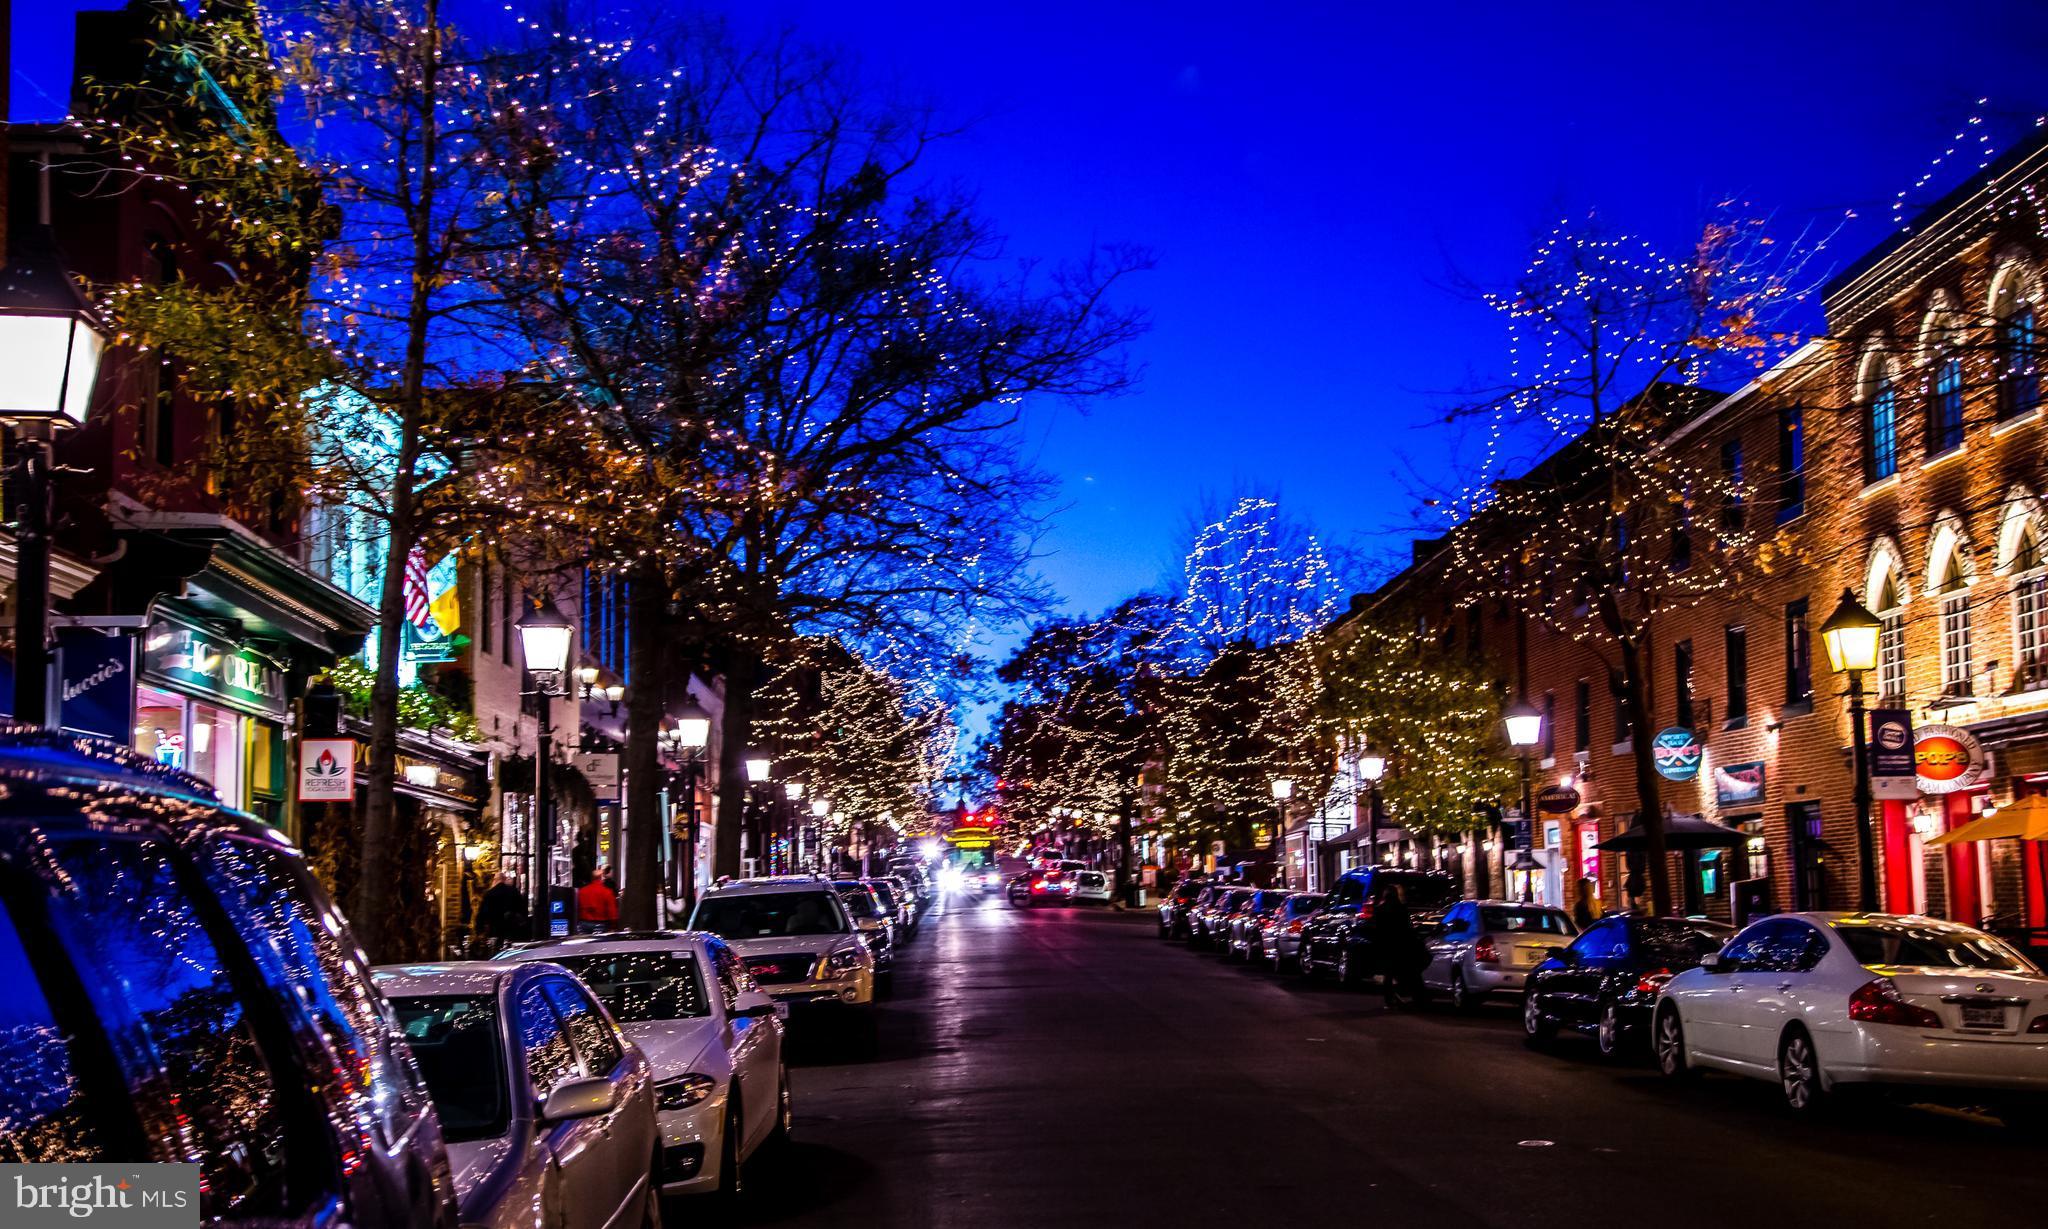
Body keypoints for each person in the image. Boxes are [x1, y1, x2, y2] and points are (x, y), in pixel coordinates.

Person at [1372, 884, 1428, 1008]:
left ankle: (1389, 999)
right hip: (1400, 944)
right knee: (1405, 970)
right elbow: (1407, 927)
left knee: (1389, 974)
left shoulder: (1380, 910)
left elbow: (1376, 929)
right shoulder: (1401, 908)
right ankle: (1411, 996)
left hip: (1386, 945)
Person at [475, 872, 530, 954]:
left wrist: (480, 931)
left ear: (495, 880)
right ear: (504, 880)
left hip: (494, 928)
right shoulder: (513, 891)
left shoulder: (489, 894)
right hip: (512, 928)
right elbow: (522, 909)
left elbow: (482, 914)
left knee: (495, 951)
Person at [576, 867, 620, 933]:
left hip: (583, 923)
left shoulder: (582, 891)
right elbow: (611, 911)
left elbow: (577, 907)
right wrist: (614, 925)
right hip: (601, 924)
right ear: (601, 877)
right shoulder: (607, 892)